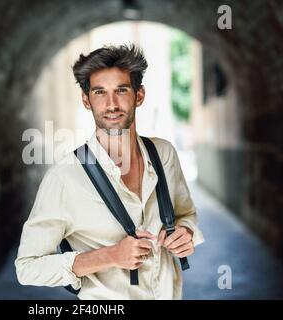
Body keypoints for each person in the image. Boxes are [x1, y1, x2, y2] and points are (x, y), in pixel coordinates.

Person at [15, 44, 204, 299]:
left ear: (139, 95)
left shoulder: (164, 153)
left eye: (121, 90)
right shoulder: (64, 178)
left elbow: (185, 213)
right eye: (100, 92)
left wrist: (186, 232)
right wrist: (110, 256)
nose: (111, 104)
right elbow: (27, 267)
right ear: (86, 100)